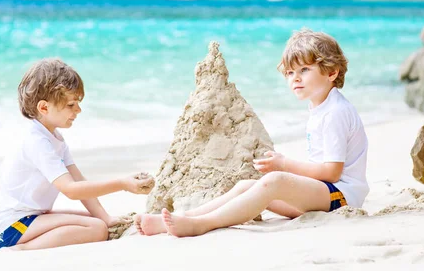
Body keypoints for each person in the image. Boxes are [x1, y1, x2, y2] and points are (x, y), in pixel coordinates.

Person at [134, 28, 369, 237]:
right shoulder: (321, 108)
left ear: (331, 73)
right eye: (289, 72)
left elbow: (332, 172)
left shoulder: (335, 112)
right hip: (325, 194)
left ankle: (202, 224)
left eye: (304, 70)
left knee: (275, 180)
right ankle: (187, 217)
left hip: (341, 197)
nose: (295, 78)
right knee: (247, 186)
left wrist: (284, 164)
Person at [0, 58, 154, 251]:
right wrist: (122, 184)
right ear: (44, 107)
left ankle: (26, 244)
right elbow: (71, 190)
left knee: (97, 221)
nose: (78, 110)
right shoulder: (37, 142)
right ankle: (20, 250)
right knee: (96, 229)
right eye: (70, 105)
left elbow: (78, 179)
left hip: (31, 217)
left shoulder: (54, 138)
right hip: (10, 227)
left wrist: (106, 217)